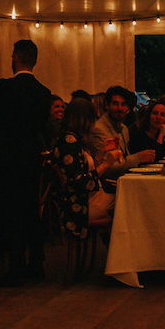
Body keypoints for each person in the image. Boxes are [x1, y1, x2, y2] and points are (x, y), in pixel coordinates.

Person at [0, 39, 53, 286]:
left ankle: (15, 267)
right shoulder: (44, 93)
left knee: (10, 212)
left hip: (7, 161)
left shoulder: (4, 88)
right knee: (30, 210)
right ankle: (36, 263)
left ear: (15, 58)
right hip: (32, 159)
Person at [56, 97, 115, 238]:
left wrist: (101, 153)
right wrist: (107, 163)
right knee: (127, 202)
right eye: (93, 118)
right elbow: (80, 182)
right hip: (79, 205)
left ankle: (113, 248)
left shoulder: (73, 139)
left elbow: (84, 170)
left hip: (86, 199)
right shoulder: (69, 141)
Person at [89, 85, 153, 188]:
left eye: (123, 104)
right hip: (107, 186)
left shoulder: (123, 128)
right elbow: (107, 169)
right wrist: (137, 158)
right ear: (107, 105)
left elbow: (124, 160)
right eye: (115, 104)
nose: (120, 108)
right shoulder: (99, 129)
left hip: (124, 183)